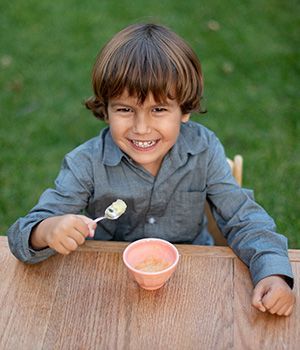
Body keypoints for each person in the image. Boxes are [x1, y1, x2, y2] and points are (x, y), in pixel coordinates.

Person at [7, 23, 295, 316]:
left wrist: (272, 271)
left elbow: (244, 219)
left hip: (193, 285)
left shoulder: (203, 150)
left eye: (158, 110)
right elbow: (21, 237)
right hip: (111, 292)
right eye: (124, 109)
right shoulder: (86, 164)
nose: (141, 128)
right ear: (105, 110)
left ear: (185, 110)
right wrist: (45, 231)